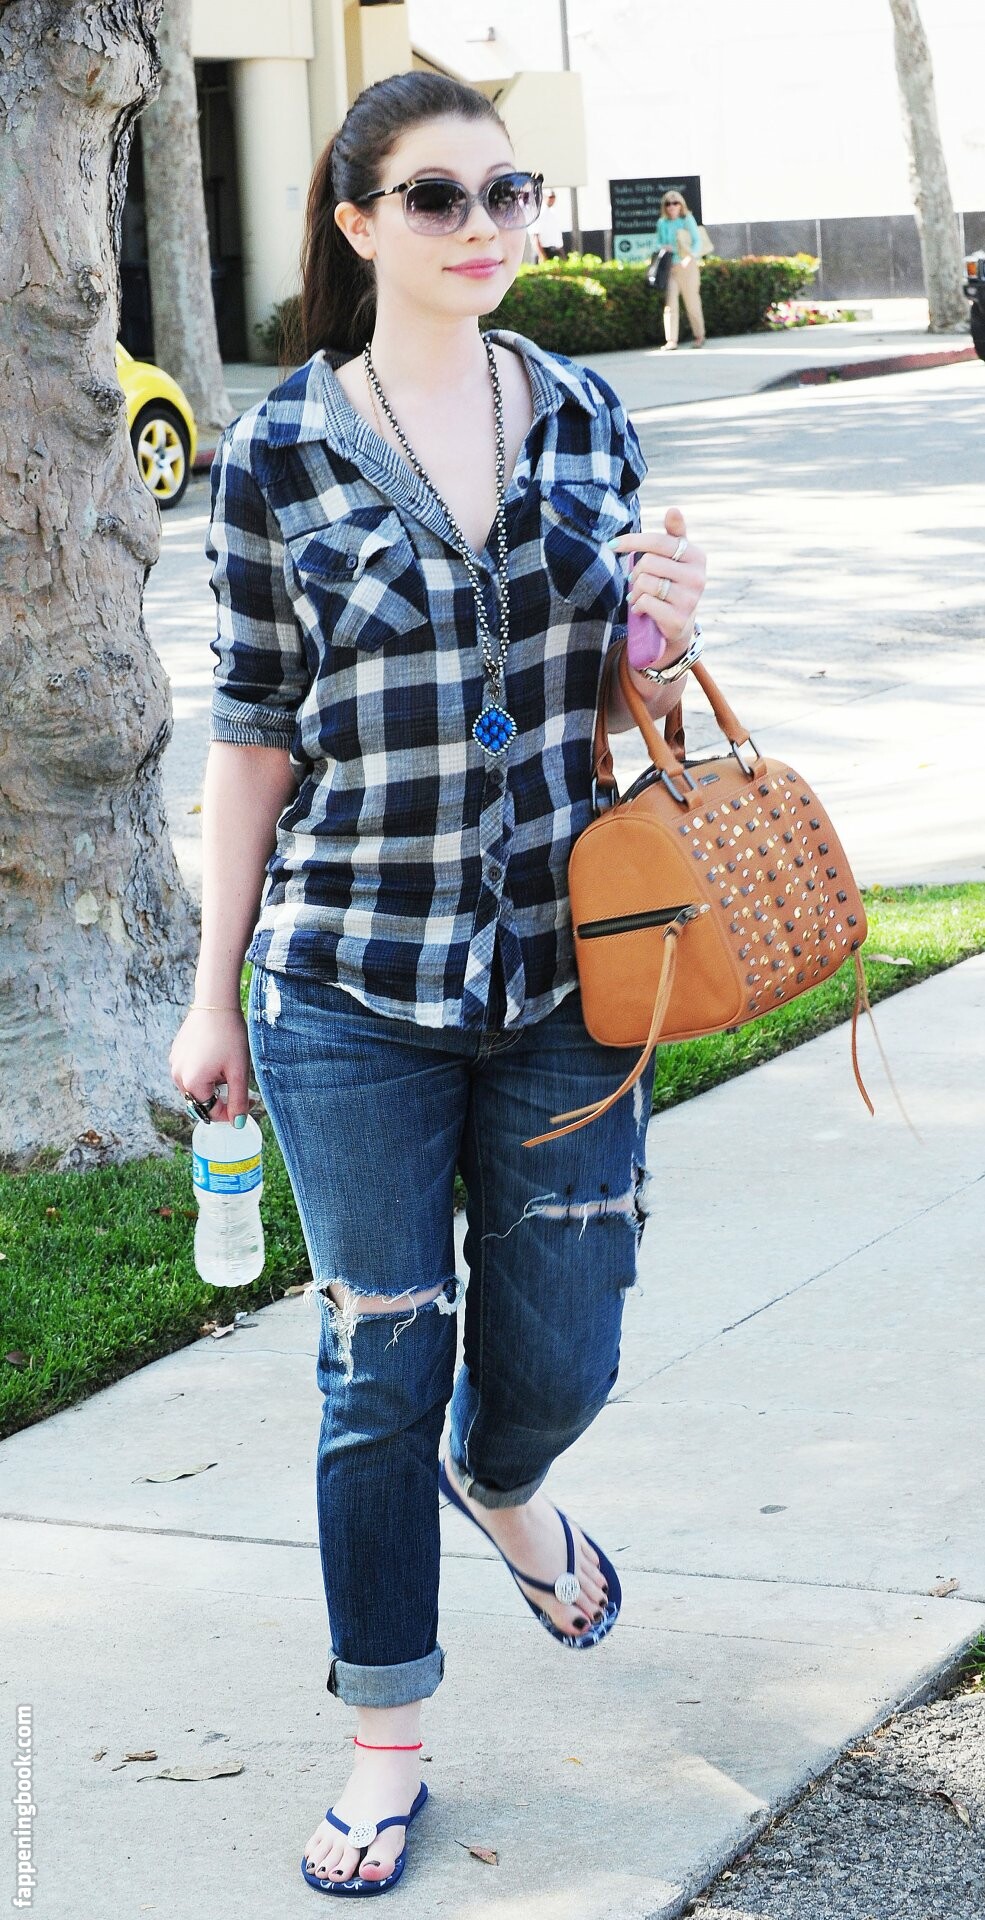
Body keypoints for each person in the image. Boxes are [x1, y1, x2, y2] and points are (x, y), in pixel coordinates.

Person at [168, 69, 707, 1898]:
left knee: (563, 1342)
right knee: (376, 1361)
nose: (484, 224)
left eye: (508, 190)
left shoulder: (585, 413)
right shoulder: (280, 453)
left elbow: (627, 689)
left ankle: (513, 1479)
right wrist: (214, 994)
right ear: (357, 221)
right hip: (349, 984)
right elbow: (252, 735)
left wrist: (667, 634)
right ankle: (384, 1737)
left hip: (568, 971)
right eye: (436, 196)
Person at [655, 188, 706, 350]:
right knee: (670, 304)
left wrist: (690, 257)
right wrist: (663, 247)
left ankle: (699, 335)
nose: (671, 206)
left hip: (687, 266)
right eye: (668, 204)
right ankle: (671, 340)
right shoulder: (662, 223)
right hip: (670, 268)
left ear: (680, 205)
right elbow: (657, 242)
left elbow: (697, 241)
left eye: (675, 203)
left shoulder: (687, 220)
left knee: (692, 303)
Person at [532, 186, 566, 260]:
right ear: (544, 197)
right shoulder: (539, 213)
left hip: (556, 250)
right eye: (550, 197)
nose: (552, 199)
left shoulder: (554, 212)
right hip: (544, 251)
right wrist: (541, 255)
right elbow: (535, 236)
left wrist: (561, 252)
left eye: (554, 197)